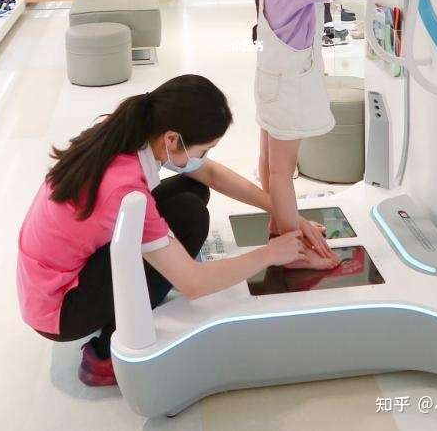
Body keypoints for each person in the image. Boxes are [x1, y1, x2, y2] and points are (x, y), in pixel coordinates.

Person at [17, 74, 327, 387]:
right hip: (61, 308)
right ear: (172, 139)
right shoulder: (125, 190)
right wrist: (270, 254)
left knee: (193, 191)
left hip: (49, 281)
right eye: (204, 149)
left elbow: (211, 175)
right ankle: (108, 351)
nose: (203, 157)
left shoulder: (130, 130)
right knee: (191, 217)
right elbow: (193, 283)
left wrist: (283, 211)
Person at [224, 0, 430, 270]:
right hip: (289, 87)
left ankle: (279, 225)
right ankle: (291, 249)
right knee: (282, 171)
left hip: (271, 82)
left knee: (270, 162)